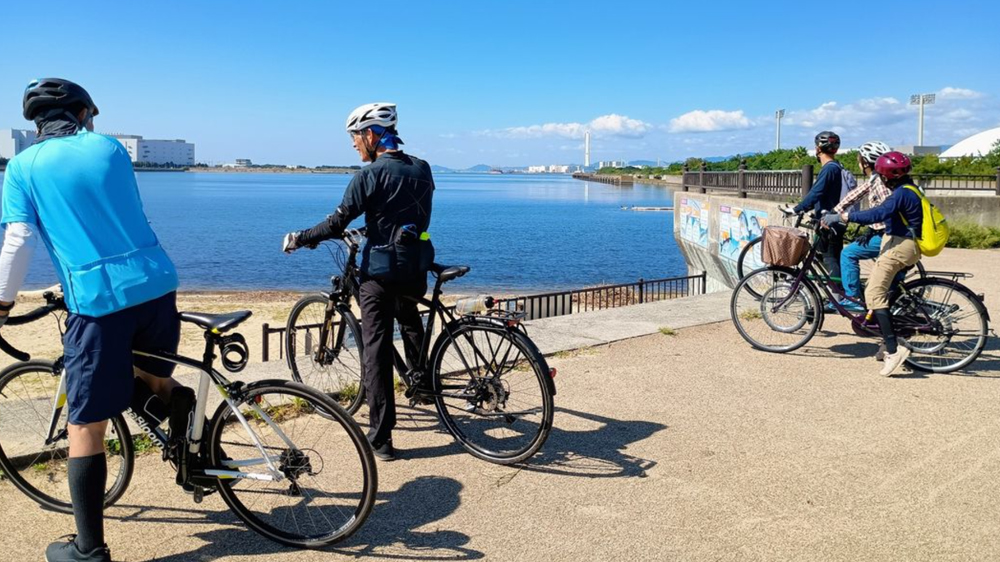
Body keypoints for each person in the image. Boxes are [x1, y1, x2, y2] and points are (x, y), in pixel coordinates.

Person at [0, 78, 184, 562]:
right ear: (82, 114)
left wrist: (2, 305)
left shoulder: (21, 167)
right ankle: (195, 451)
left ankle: (88, 550)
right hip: (156, 282)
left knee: (85, 425)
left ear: (36, 122)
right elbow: (110, 217)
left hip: (99, 304)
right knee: (156, 381)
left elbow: (19, 240)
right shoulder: (109, 149)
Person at [283, 102, 435, 461]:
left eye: (355, 137)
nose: (353, 144)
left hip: (381, 273)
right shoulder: (423, 169)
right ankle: (423, 386)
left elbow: (336, 223)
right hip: (415, 267)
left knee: (375, 349)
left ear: (371, 135)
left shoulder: (368, 176)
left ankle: (381, 438)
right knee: (410, 318)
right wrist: (371, 228)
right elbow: (406, 219)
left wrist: (301, 237)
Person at [823, 151, 923, 376]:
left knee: (874, 294)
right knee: (885, 293)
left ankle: (893, 350)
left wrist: (843, 217)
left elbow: (877, 213)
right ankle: (888, 340)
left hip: (900, 246)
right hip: (902, 242)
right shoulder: (909, 189)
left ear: (886, 175)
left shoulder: (901, 195)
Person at [831, 140, 893, 312]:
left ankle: (852, 297)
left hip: (887, 235)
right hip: (882, 233)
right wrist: (834, 212)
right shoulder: (877, 179)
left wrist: (841, 216)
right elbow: (854, 196)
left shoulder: (880, 183)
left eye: (859, 159)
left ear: (865, 162)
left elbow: (886, 210)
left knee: (848, 253)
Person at [780, 131, 846, 280]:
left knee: (831, 259)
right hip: (829, 218)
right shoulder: (836, 166)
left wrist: (796, 209)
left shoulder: (829, 169)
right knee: (825, 255)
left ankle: (838, 297)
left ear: (818, 149)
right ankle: (837, 292)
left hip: (830, 221)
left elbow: (816, 192)